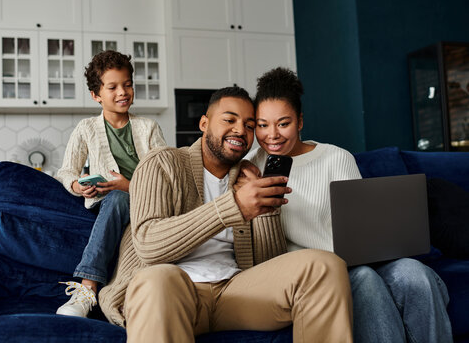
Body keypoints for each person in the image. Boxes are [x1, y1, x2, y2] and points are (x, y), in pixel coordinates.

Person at [98, 86, 354, 342]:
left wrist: (264, 211)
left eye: (250, 125)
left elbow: (269, 265)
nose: (240, 130)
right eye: (229, 120)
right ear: (204, 123)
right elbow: (148, 245)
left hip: (234, 292)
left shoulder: (249, 175)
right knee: (157, 280)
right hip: (174, 291)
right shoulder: (162, 163)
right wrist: (234, 207)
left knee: (324, 266)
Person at [241, 67, 453, 343]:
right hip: (315, 271)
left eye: (283, 123)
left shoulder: (336, 158)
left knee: (416, 275)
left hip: (357, 260)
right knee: (364, 279)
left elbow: (360, 226)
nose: (272, 135)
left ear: (300, 121)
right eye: (262, 125)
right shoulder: (250, 169)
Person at [54, 50, 166, 317]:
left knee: (119, 196)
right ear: (96, 95)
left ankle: (94, 289)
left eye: (128, 84)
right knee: (115, 199)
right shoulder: (86, 129)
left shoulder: (148, 127)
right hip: (111, 203)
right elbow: (66, 171)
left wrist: (129, 186)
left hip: (146, 202)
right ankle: (86, 291)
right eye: (113, 87)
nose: (123, 92)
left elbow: (165, 176)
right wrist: (78, 186)